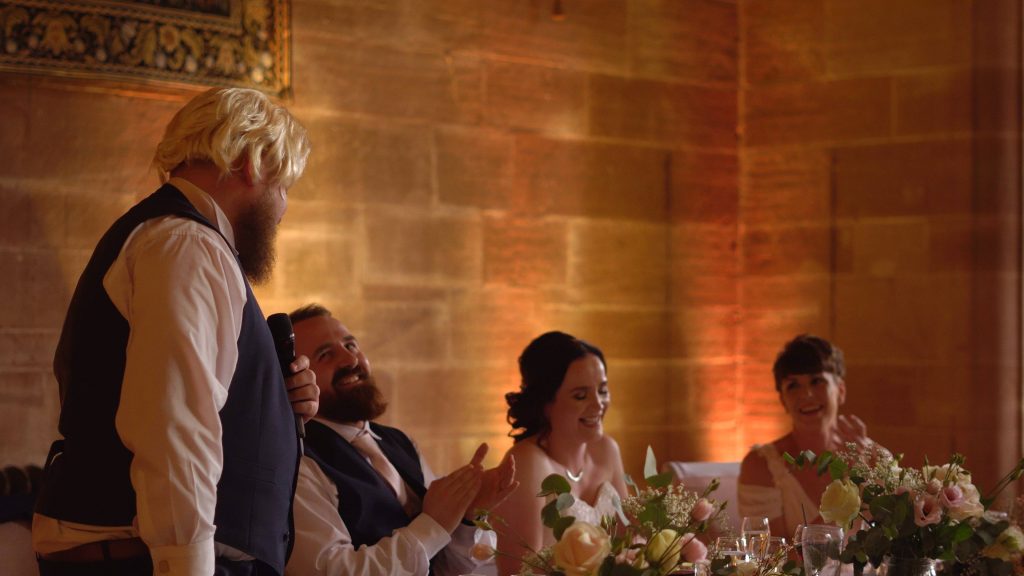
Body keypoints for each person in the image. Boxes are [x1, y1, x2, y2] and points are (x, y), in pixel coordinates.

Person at [32, 87, 319, 576]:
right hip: (140, 559)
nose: (283, 206)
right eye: (283, 186)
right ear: (251, 161)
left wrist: (275, 409)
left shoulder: (182, 241)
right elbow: (175, 428)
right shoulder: (185, 243)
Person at [285, 304, 518, 576]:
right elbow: (334, 571)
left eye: (351, 346)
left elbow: (443, 567)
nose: (350, 361)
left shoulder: (401, 442)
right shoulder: (299, 461)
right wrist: (433, 524)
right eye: (325, 355)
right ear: (296, 379)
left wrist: (466, 517)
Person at [491, 331, 628, 576]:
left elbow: (632, 548)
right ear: (546, 402)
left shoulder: (607, 450)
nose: (598, 405)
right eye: (580, 395)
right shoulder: (527, 463)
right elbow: (518, 572)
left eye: (603, 390)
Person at [738, 334, 880, 537]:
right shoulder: (760, 466)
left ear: (840, 391)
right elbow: (768, 559)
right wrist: (847, 496)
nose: (806, 395)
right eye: (793, 385)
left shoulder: (873, 458)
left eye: (817, 381)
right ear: (783, 400)